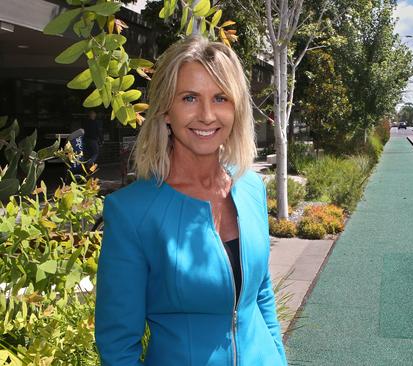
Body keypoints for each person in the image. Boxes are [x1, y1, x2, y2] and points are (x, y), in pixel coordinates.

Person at [95, 36, 287, 365]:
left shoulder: (252, 188)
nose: (207, 115)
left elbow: (261, 294)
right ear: (166, 109)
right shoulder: (131, 213)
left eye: (220, 98)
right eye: (189, 98)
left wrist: (278, 358)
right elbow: (117, 345)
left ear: (236, 108)